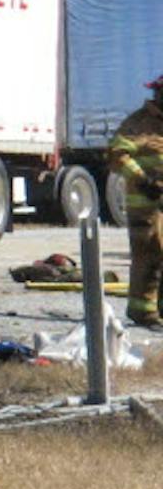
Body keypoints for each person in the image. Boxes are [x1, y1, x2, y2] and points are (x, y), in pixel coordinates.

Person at [106, 70, 163, 328]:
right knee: (149, 255)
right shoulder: (139, 123)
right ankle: (143, 312)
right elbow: (117, 154)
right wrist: (143, 180)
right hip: (145, 205)